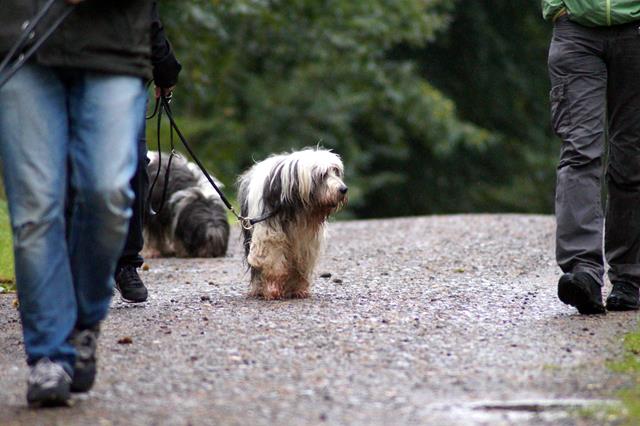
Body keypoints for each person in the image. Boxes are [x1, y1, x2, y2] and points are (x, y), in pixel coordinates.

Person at [0, 0, 152, 406]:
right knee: (35, 209)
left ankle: (83, 323)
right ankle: (49, 354)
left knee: (107, 192)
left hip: (113, 45)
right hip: (21, 38)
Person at [543, 1, 640, 314]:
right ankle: (583, 270)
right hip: (576, 30)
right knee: (579, 152)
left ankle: (630, 277)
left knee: (633, 157)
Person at [114, 2, 182, 303]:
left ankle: (126, 262)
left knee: (133, 167)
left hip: (124, 72)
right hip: (57, 68)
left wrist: (164, 69)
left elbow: (146, 17)